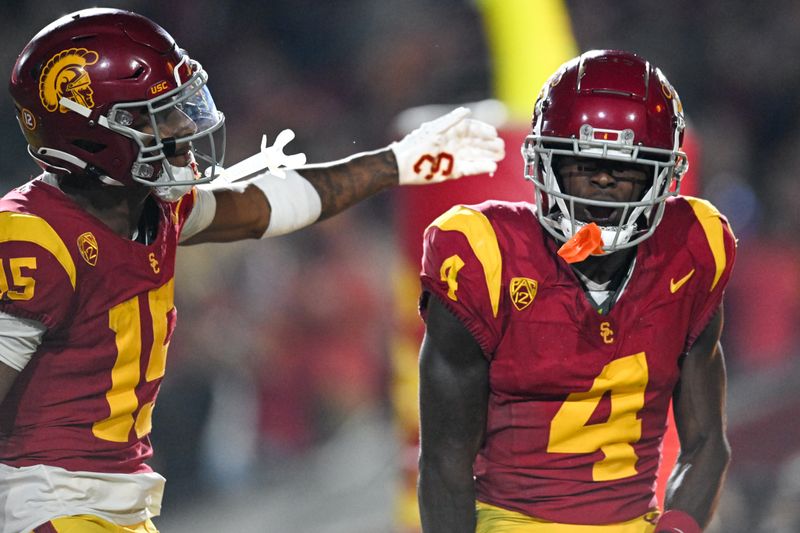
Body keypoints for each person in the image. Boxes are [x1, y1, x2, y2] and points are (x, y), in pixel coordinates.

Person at [0, 8, 504, 533]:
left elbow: (267, 203)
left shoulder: (152, 205)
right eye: (155, 115)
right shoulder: (32, 239)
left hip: (111, 500)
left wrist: (397, 163)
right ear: (88, 134)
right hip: (45, 504)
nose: (184, 127)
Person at [417, 49, 736, 533]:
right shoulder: (485, 257)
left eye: (625, 168)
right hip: (509, 521)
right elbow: (444, 465)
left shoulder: (693, 248)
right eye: (582, 161)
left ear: (661, 176)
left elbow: (707, 443)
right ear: (545, 162)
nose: (603, 179)